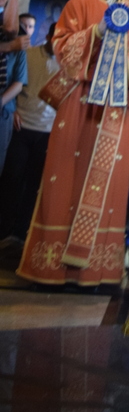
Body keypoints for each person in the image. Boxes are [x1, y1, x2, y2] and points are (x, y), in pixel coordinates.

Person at [17, 0, 129, 287]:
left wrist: (122, 60)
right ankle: (51, 266)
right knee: (64, 176)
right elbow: (61, 47)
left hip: (116, 108)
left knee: (111, 186)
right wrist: (97, 32)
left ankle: (96, 270)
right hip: (78, 102)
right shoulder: (77, 5)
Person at [0, 23, 58, 250]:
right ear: (49, 36)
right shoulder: (29, 54)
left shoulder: (69, 63)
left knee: (34, 184)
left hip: (48, 131)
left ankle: (22, 234)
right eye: (56, 38)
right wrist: (13, 108)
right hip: (21, 125)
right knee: (11, 180)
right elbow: (14, 81)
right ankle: (4, 231)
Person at [0, 0, 29, 176]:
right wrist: (9, 47)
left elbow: (19, 80)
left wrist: (1, 102)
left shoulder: (18, 33)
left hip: (3, 109)